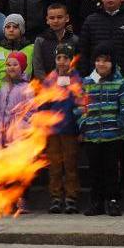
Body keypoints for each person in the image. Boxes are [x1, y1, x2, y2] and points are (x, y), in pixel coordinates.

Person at [78, 42, 124, 216]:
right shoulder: (87, 82)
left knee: (111, 171)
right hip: (92, 135)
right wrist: (83, 124)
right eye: (98, 60)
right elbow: (79, 107)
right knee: (95, 171)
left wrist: (121, 122)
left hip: (113, 136)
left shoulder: (120, 82)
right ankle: (96, 202)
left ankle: (114, 201)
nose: (101, 64)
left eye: (106, 61)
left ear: (113, 63)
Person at [41, 42, 83, 214]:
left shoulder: (77, 79)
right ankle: (56, 197)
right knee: (55, 166)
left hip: (70, 130)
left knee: (71, 165)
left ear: (72, 60)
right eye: (59, 58)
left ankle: (71, 197)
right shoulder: (49, 80)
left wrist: (81, 128)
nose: (62, 62)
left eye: (66, 58)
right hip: (53, 131)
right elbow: (43, 104)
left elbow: (81, 104)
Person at [0, 51, 32, 148]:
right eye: (8, 65)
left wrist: (20, 126)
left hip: (17, 132)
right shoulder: (4, 86)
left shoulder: (27, 88)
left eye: (15, 65)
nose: (11, 67)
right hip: (0, 130)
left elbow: (31, 111)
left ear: (22, 67)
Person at [32, 4, 77, 81]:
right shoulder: (40, 40)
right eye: (52, 18)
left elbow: (78, 65)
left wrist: (69, 82)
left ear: (67, 18)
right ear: (47, 20)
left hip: (70, 85)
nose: (56, 21)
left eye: (59, 17)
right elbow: (38, 68)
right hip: (47, 87)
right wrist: (49, 83)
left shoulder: (74, 40)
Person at [0, 13, 34, 91]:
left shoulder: (31, 49)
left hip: (24, 95)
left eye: (15, 27)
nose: (11, 30)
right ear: (4, 30)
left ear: (21, 30)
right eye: (7, 27)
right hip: (1, 95)